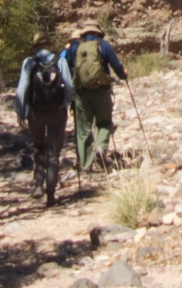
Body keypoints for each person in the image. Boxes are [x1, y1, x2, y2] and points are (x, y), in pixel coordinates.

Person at [63, 24, 127, 173]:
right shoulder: (104, 45)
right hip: (102, 92)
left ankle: (85, 166)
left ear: (83, 33)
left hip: (82, 94)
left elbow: (68, 67)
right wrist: (124, 75)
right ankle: (100, 147)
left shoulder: (74, 47)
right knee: (104, 122)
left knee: (83, 130)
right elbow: (117, 67)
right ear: (99, 33)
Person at [14, 42, 71, 205]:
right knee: (53, 154)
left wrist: (20, 111)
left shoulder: (29, 62)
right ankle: (51, 196)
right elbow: (69, 86)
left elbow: (22, 89)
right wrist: (69, 103)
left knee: (39, 147)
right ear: (49, 45)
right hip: (57, 112)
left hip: (35, 113)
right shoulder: (60, 61)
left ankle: (38, 184)